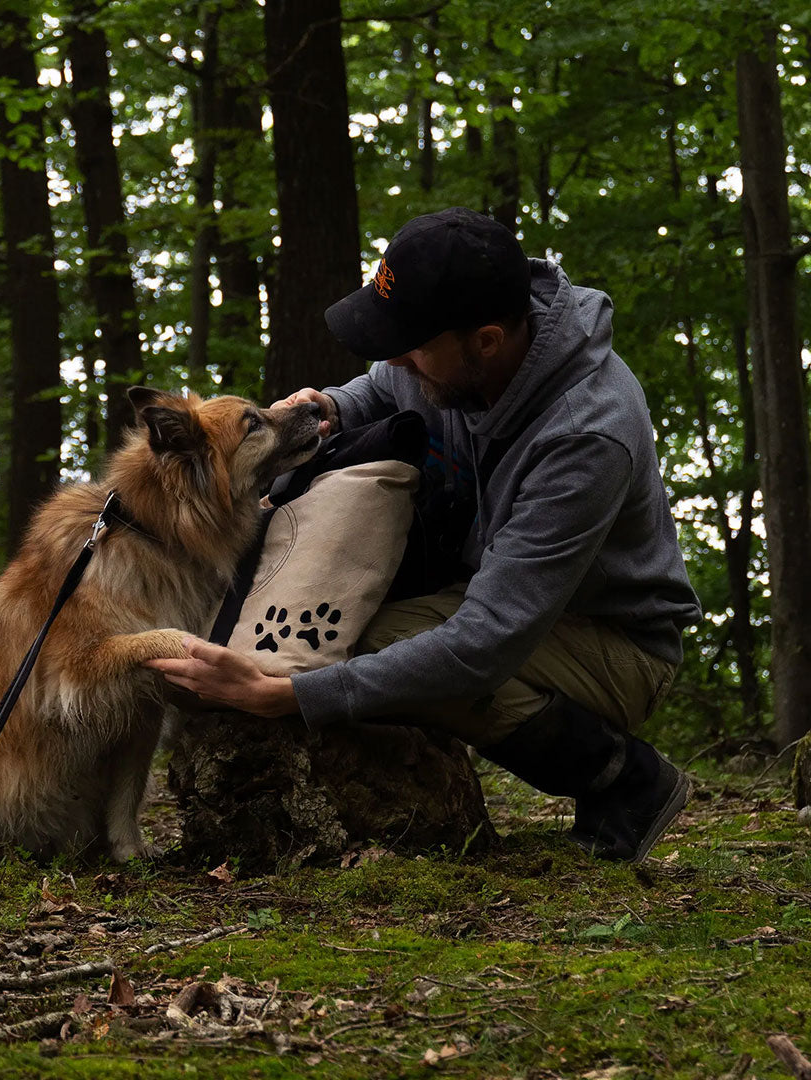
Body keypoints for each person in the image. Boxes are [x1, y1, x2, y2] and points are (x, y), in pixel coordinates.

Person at [146, 207, 702, 863]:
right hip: (501, 596)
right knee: (348, 633)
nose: (396, 359)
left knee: (358, 648)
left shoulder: (586, 436)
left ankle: (624, 779)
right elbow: (381, 386)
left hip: (615, 640)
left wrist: (289, 693)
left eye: (411, 346)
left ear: (486, 341)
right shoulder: (461, 358)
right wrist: (329, 407)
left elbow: (483, 644)